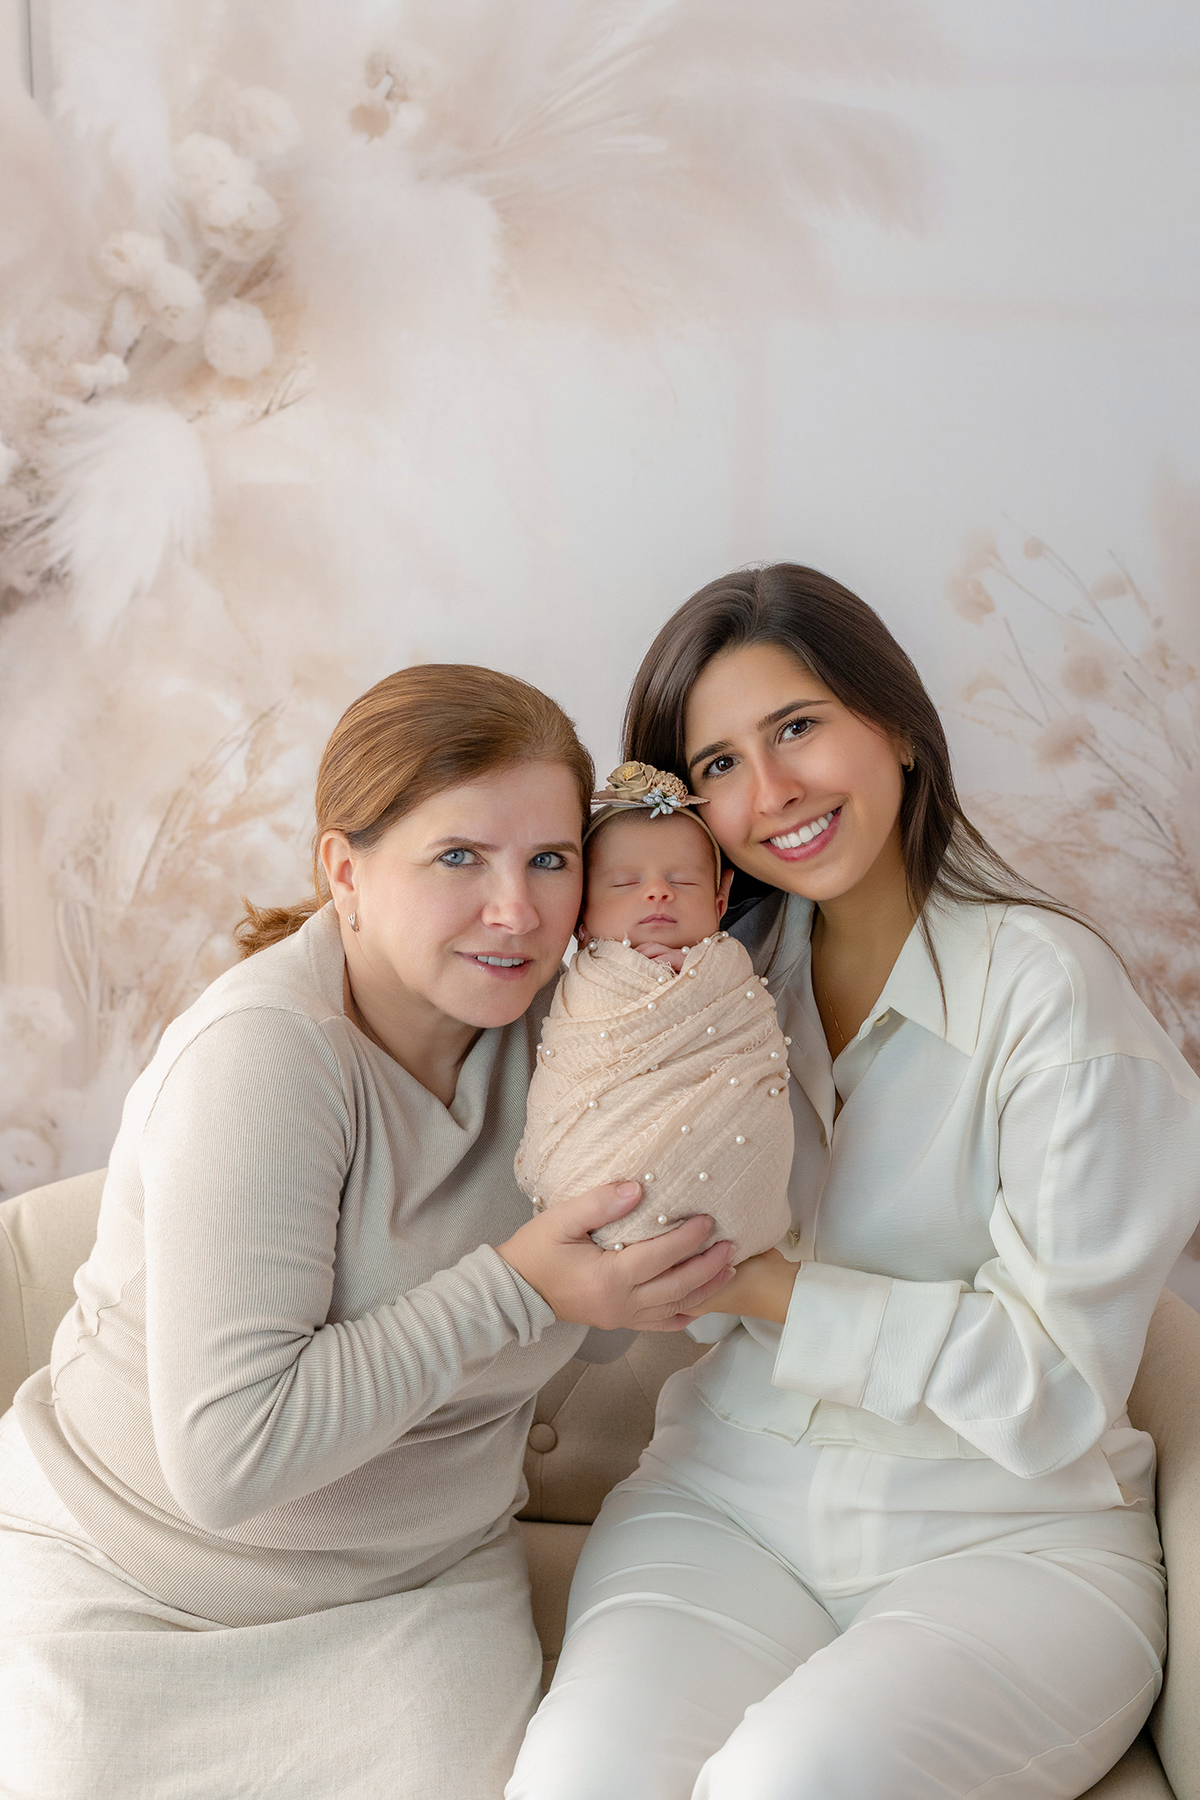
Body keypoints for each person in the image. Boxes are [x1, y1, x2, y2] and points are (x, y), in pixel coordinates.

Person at [507, 565, 1200, 1800]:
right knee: (573, 1781)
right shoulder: (703, 985)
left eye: (796, 728)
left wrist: (771, 1290)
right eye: (716, 765)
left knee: (792, 1781)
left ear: (896, 727)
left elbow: (1052, 1391)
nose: (769, 794)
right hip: (726, 1504)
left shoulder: (1051, 994)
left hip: (1006, 1539)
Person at [0, 664, 735, 1800]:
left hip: (414, 1597)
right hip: (130, 1588)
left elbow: (594, 1336)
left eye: (549, 859)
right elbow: (228, 1460)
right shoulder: (267, 1058)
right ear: (345, 871)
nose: (517, 910)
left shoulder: (572, 1033)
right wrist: (519, 1286)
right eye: (460, 858)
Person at [515, 760, 793, 1260]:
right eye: (624, 884)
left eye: (683, 882)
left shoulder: (730, 972)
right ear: (579, 913)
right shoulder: (589, 982)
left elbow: (747, 1042)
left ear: (720, 897)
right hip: (592, 1176)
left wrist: (694, 978)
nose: (657, 892)